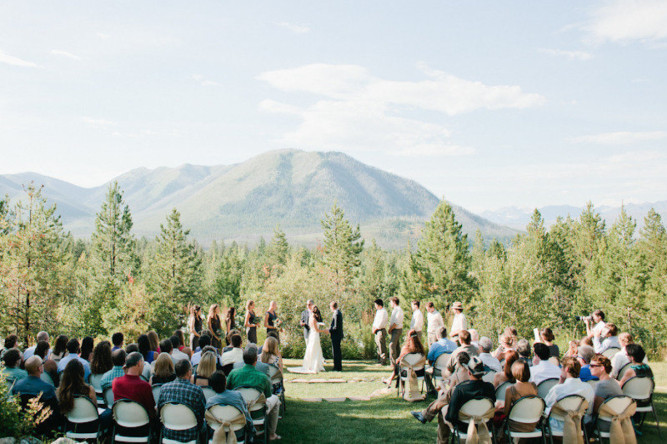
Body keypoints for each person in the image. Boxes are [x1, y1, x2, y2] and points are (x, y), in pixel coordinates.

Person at [411, 356, 495, 444]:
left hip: (463, 426)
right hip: (485, 424)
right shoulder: (490, 388)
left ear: (469, 372)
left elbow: (451, 416)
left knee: (443, 408)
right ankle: (425, 414)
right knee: (446, 400)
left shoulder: (460, 389)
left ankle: (441, 440)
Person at [227, 345, 281, 441]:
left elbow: (227, 390)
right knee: (276, 399)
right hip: (257, 411)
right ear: (256, 360)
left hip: (238, 409)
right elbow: (268, 394)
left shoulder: (233, 373)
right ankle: (271, 433)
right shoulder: (262, 377)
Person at [543, 356, 595, 436]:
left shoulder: (558, 389)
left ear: (566, 369)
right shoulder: (588, 388)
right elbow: (589, 411)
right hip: (576, 425)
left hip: (555, 426)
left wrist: (559, 383)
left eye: (562, 368)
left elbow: (546, 405)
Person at [58, 359, 112, 432]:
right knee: (110, 411)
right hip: (91, 425)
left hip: (71, 425)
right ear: (82, 373)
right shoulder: (89, 389)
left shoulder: (61, 391)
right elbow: (95, 408)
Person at [11, 356, 60, 435]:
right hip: (43, 426)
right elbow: (55, 410)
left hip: (23, 423)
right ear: (39, 368)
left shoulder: (17, 385)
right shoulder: (47, 388)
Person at [206, 370, 256, 439]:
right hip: (237, 432)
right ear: (225, 382)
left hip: (217, 434)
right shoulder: (237, 395)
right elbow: (246, 415)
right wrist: (252, 431)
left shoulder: (210, 402)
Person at [496, 361, 538, 435]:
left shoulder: (511, 389)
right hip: (532, 423)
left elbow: (506, 412)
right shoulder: (534, 386)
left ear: (514, 372)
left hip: (516, 424)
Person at [113, 352, 156, 419]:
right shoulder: (145, 386)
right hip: (141, 422)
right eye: (143, 363)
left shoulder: (115, 382)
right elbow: (151, 409)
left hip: (122, 420)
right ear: (139, 363)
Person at [288, 305, 327, 374]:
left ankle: (313, 365)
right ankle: (313, 366)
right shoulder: (314, 319)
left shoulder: (311, 318)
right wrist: (324, 330)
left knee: (313, 349)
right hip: (314, 335)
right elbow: (317, 330)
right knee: (314, 350)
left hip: (313, 335)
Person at [387, 297, 404, 366]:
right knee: (396, 346)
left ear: (394, 302)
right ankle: (398, 362)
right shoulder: (395, 310)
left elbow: (396, 323)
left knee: (392, 345)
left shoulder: (398, 310)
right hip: (394, 329)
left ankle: (393, 363)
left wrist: (390, 329)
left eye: (391, 302)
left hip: (397, 329)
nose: (390, 304)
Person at [372, 299, 389, 365]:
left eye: (375, 305)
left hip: (380, 330)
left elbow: (381, 322)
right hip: (376, 330)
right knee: (378, 345)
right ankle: (379, 359)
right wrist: (373, 327)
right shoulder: (378, 311)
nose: (375, 306)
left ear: (379, 305)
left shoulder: (383, 312)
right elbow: (375, 321)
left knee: (381, 345)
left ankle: (383, 360)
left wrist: (376, 328)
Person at [329, 301, 344, 372]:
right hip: (337, 335)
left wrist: (329, 330)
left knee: (336, 351)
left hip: (336, 335)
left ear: (332, 307)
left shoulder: (337, 314)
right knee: (337, 351)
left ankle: (337, 367)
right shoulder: (338, 313)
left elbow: (335, 327)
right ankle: (337, 366)